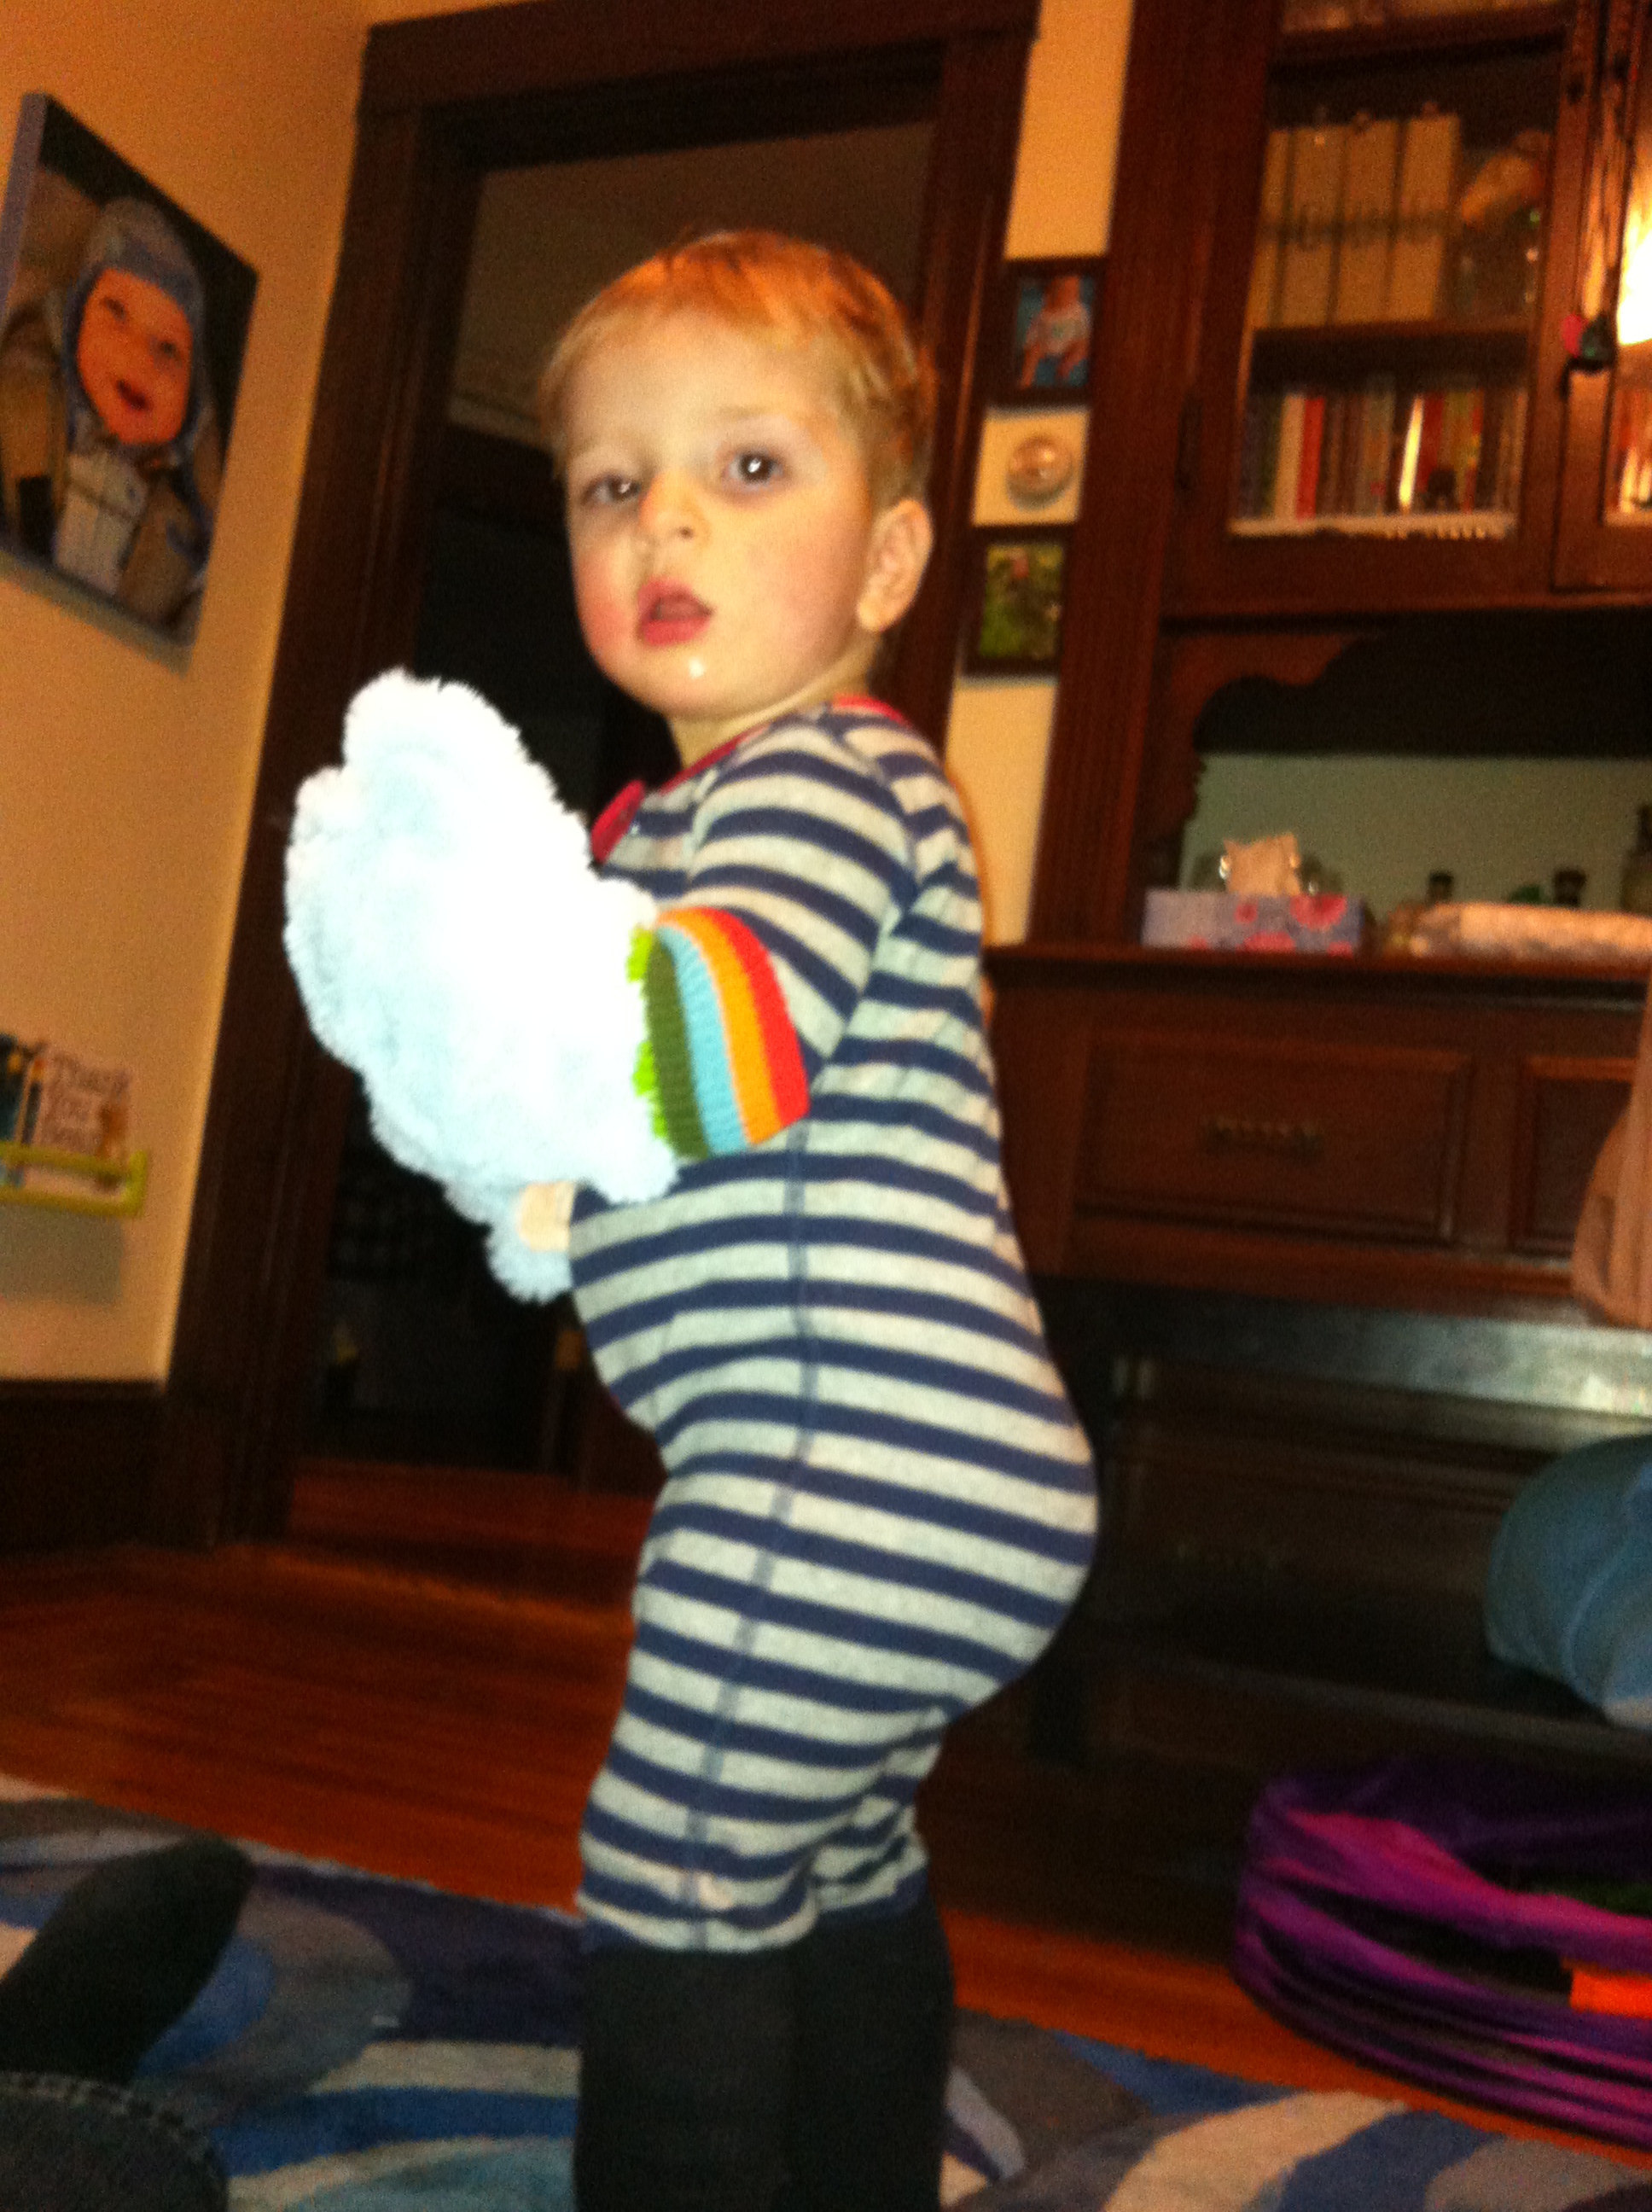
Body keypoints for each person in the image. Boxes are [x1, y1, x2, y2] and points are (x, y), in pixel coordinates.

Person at [528, 230, 1099, 2211]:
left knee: (675, 1857)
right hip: (927, 1472)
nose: (664, 517)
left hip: (841, 1456)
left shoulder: (824, 777)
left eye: (747, 466)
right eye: (611, 483)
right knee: (833, 1846)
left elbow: (717, 1054)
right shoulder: (693, 823)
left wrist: (491, 987)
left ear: (886, 563)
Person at [0, 195, 220, 631]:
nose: (143, 360)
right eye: (117, 312)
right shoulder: (21, 413)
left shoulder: (190, 516)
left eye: (170, 349)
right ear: (73, 323)